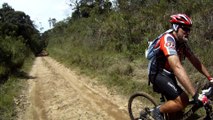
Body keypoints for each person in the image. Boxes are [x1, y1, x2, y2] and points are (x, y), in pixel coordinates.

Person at [147, 13, 213, 120]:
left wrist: (210, 78)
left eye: (189, 30)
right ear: (176, 27)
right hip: (158, 73)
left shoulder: (182, 43)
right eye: (185, 29)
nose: (187, 32)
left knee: (178, 113)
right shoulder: (168, 40)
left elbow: (195, 60)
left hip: (168, 74)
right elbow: (177, 67)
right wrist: (195, 95)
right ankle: (157, 111)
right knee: (184, 100)